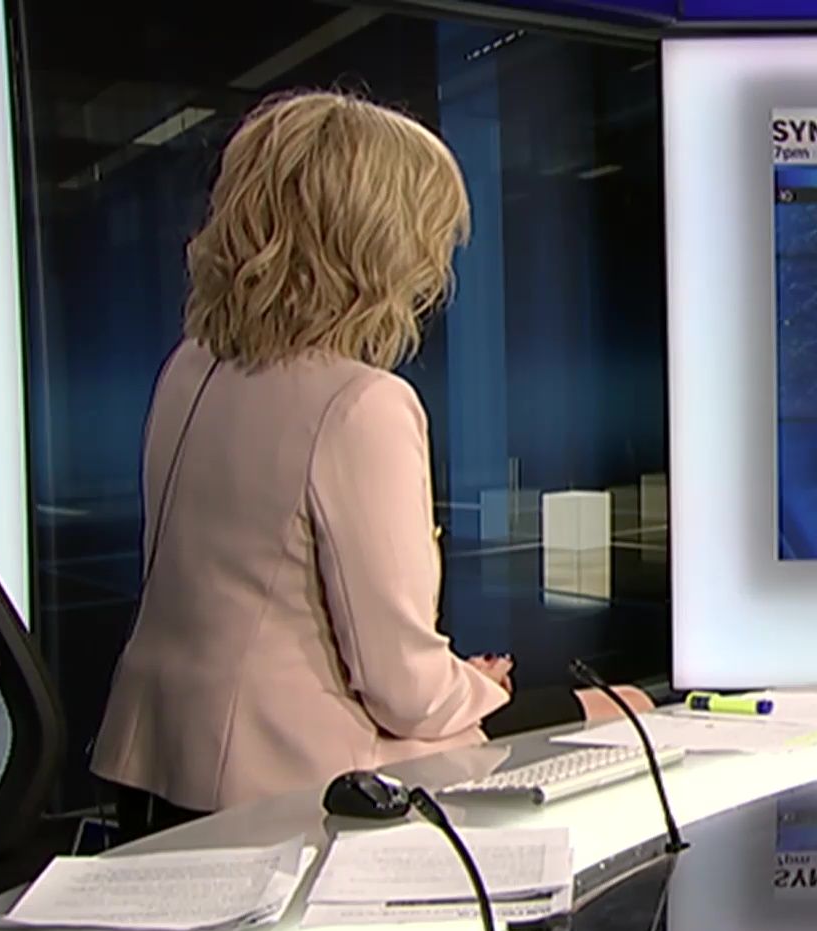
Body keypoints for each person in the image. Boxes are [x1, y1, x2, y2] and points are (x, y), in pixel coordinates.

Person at [91, 90, 653, 837]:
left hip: (157, 771)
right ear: (381, 245)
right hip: (292, 794)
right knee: (626, 711)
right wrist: (474, 690)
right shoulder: (362, 406)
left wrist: (452, 686)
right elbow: (403, 689)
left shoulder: (191, 368)